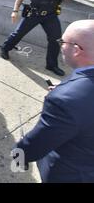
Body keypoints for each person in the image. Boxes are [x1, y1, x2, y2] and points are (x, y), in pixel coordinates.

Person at [14, 19, 94, 182]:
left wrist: (18, 155)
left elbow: (35, 145)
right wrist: (70, 87)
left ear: (77, 50)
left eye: (63, 42)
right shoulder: (73, 93)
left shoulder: (64, 101)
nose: (61, 46)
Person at [0, 0, 70, 76]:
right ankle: (5, 48)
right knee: (19, 33)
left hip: (51, 15)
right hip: (34, 13)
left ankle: (52, 65)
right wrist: (15, 11)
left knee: (56, 40)